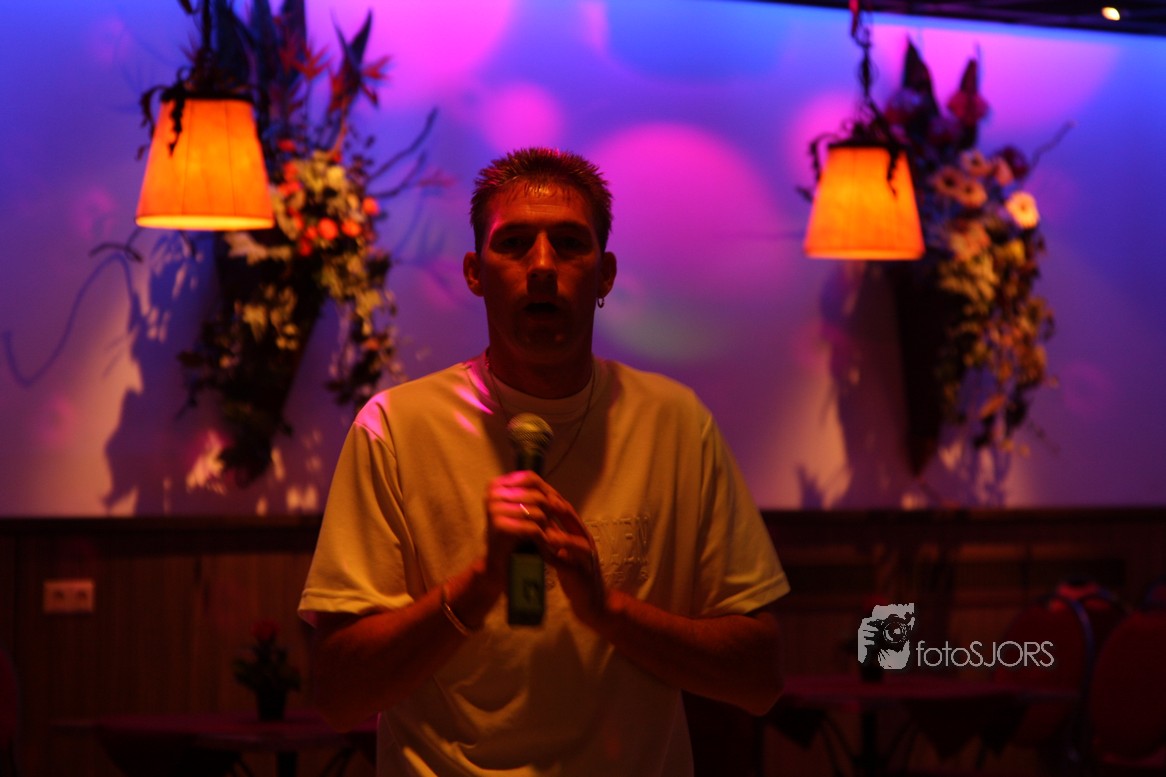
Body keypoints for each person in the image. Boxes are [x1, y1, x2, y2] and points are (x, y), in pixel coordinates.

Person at [299, 147, 789, 777]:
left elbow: (759, 679)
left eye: (569, 244)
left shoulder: (676, 423)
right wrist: (478, 587)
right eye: (513, 245)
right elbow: (338, 696)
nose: (541, 266)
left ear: (605, 275)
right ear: (475, 273)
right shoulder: (394, 428)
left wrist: (606, 611)